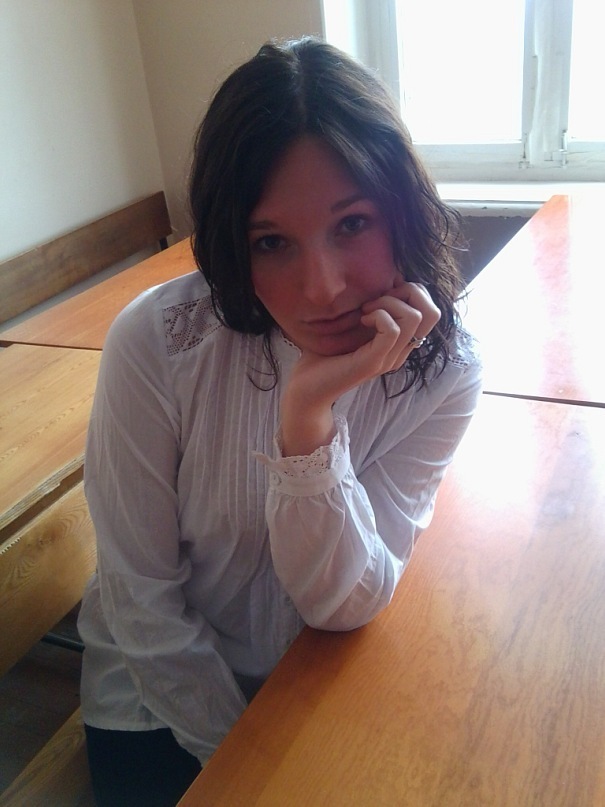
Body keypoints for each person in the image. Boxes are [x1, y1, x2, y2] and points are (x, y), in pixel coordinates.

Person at [78, 36, 482, 806]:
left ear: (401, 211)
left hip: (322, 681)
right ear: (233, 244)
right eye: (271, 242)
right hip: (150, 701)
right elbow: (142, 600)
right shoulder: (157, 343)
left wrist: (307, 419)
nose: (321, 287)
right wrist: (247, 765)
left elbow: (342, 604)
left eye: (352, 224)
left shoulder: (446, 372)